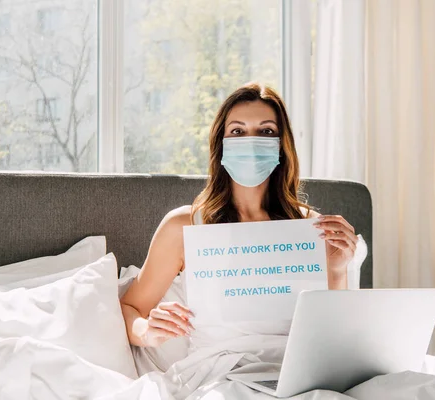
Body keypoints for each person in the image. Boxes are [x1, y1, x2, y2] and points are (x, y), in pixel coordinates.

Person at [120, 83, 359, 349]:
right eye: (237, 131)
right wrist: (147, 332)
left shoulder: (311, 227)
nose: (251, 142)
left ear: (282, 146)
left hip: (297, 371)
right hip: (221, 374)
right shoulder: (185, 226)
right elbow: (130, 307)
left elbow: (336, 333)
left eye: (266, 131)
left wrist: (338, 270)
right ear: (221, 144)